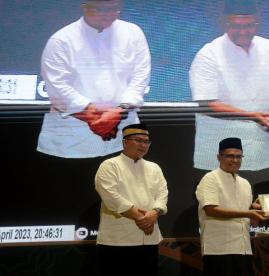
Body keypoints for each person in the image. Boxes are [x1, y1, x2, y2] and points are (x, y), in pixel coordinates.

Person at [37, 0, 150, 158]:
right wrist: (95, 118)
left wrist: (119, 111)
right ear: (85, 7)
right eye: (102, 9)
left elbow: (140, 77)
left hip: (123, 135)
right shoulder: (61, 40)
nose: (109, 14)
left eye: (114, 8)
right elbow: (57, 86)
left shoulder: (133, 33)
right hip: (71, 140)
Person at [189, 0, 269, 171]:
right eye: (236, 26)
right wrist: (251, 115)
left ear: (257, 22)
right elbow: (207, 104)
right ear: (224, 23)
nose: (243, 32)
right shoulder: (208, 54)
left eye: (249, 25)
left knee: (263, 197)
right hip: (220, 150)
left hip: (262, 149)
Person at [95, 123, 168, 276]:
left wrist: (155, 213)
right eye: (138, 140)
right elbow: (111, 197)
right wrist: (143, 218)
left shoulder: (154, 167)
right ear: (124, 142)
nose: (143, 145)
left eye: (146, 141)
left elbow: (163, 194)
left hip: (149, 239)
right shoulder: (109, 165)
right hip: (117, 241)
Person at [195, 137, 266, 276]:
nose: (235, 160)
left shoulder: (245, 183)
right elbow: (211, 210)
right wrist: (248, 213)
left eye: (239, 156)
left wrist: (255, 208)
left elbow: (242, 210)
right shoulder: (210, 178)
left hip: (243, 247)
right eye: (230, 156)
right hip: (219, 249)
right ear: (219, 157)